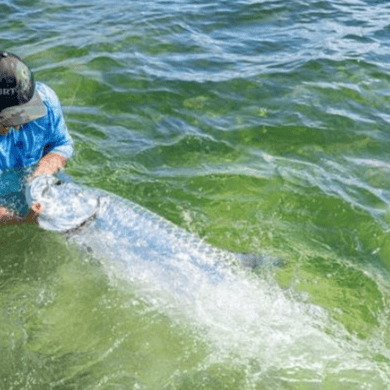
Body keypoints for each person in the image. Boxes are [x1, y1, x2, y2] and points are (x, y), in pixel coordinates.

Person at [0, 51, 73, 226]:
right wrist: (18, 222)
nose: (20, 125)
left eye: (28, 112)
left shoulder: (46, 100)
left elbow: (62, 144)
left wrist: (41, 173)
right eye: (11, 119)